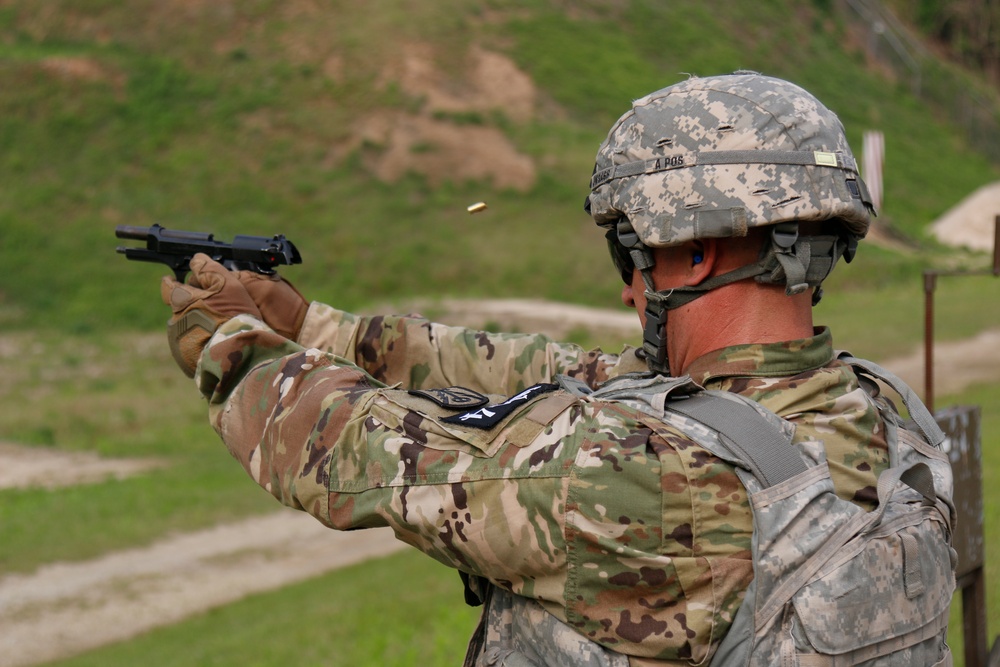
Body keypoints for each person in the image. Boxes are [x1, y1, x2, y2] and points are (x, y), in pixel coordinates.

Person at [158, 72, 953, 665]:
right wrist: (312, 325)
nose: (626, 285)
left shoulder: (638, 479)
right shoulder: (882, 415)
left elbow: (354, 448)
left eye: (631, 255)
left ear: (697, 249)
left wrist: (231, 344)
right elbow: (557, 371)